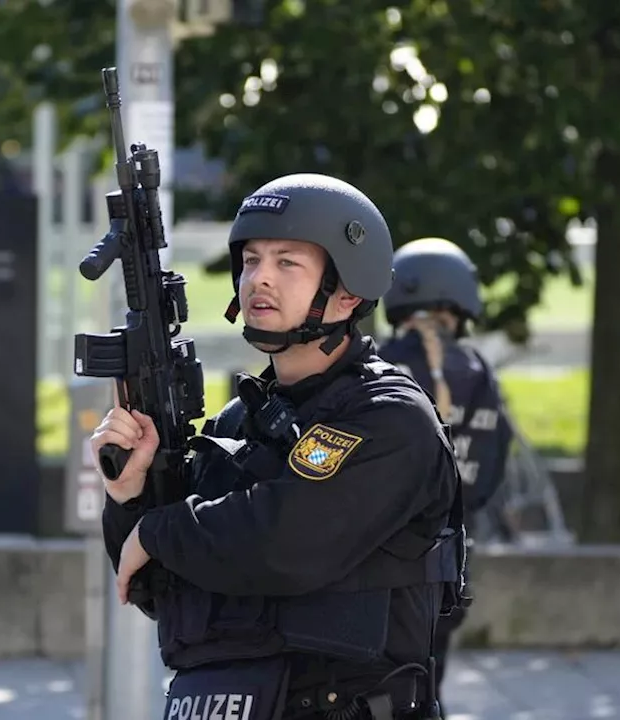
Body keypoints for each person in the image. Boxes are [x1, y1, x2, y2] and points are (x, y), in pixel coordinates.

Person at [91, 174, 468, 720]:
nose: (259, 279)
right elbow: (155, 588)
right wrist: (129, 498)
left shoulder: (390, 419)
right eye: (251, 261)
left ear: (348, 290)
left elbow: (287, 540)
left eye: (287, 262)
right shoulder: (238, 423)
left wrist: (156, 530)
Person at [377, 237, 514, 716]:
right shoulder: (478, 372)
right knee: (429, 682)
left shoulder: (376, 366)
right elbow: (493, 466)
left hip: (375, 567)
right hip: (450, 563)